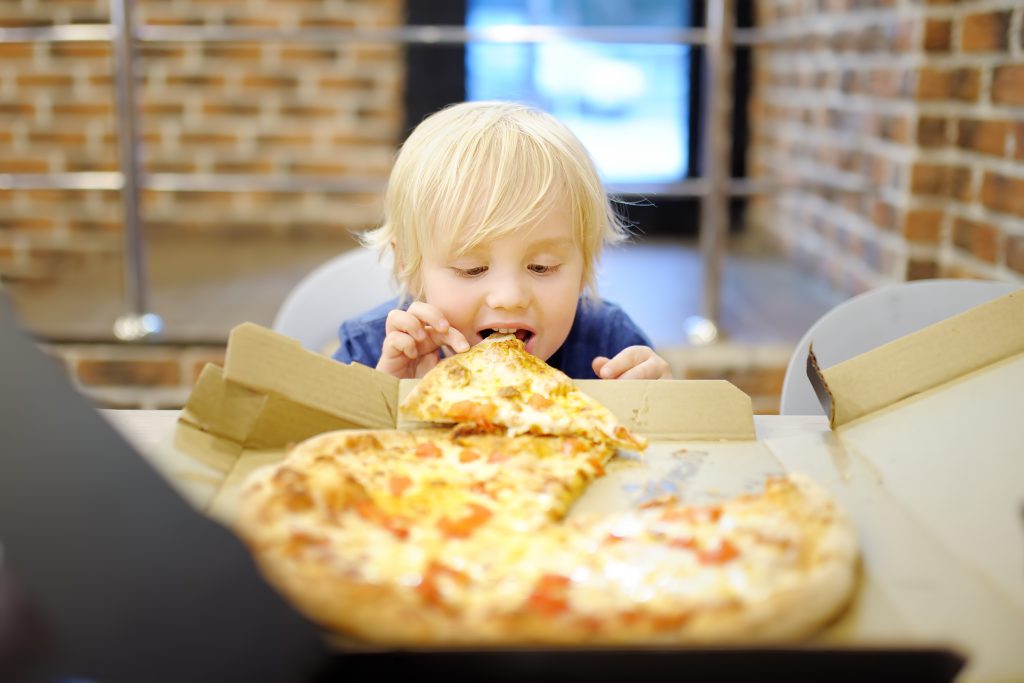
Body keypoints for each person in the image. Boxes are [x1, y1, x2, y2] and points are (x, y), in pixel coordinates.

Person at [332, 100, 672, 381]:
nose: (509, 298)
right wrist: (385, 401)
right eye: (472, 268)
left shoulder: (611, 345)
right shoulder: (369, 349)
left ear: (584, 266)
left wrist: (662, 411)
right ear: (410, 266)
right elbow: (315, 449)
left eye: (542, 267)